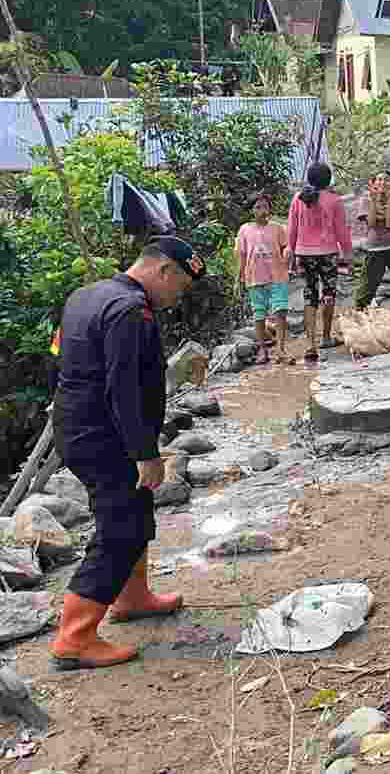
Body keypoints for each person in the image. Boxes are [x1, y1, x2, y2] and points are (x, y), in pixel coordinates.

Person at [49, 238, 205, 670]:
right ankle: (74, 638)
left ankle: (132, 597)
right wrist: (145, 454)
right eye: (181, 287)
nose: (178, 297)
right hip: (105, 437)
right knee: (120, 529)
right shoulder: (130, 312)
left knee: (134, 509)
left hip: (79, 426)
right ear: (164, 271)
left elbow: (57, 358)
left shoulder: (88, 295)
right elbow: (124, 389)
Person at [287, 162, 353, 362]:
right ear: (328, 179)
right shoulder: (334, 200)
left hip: (304, 253)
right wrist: (348, 255)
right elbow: (342, 231)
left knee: (309, 295)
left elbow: (292, 228)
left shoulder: (298, 198)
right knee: (329, 293)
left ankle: (310, 344)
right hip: (328, 253)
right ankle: (325, 337)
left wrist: (291, 250)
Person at [235, 192, 292, 365]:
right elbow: (242, 256)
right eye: (258, 207)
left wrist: (288, 253)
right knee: (259, 315)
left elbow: (286, 247)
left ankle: (281, 350)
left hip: (277, 276)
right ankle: (263, 349)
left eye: (265, 206)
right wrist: (238, 279)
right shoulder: (244, 229)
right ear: (251, 210)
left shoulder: (278, 228)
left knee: (280, 312)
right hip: (254, 278)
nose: (262, 210)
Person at [355, 171, 390, 311]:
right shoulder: (365, 201)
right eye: (379, 179)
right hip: (375, 250)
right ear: (373, 183)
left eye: (387, 180)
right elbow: (371, 223)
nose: (382, 182)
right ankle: (359, 314)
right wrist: (374, 201)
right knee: (367, 287)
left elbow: (389, 224)